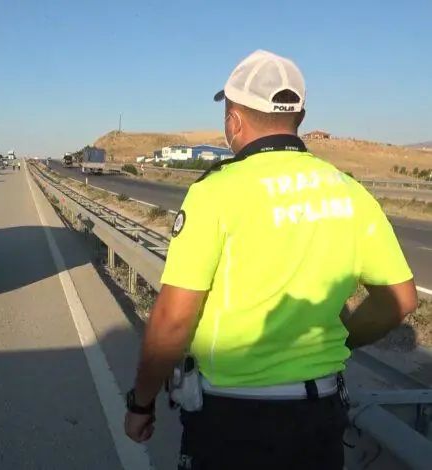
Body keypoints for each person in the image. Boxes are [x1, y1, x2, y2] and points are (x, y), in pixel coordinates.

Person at [123, 49, 418, 470]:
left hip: (232, 418)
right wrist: (342, 340)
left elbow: (173, 319)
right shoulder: (349, 192)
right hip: (320, 415)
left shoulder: (215, 192)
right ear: (300, 116)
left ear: (234, 120)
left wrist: (141, 402)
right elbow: (400, 299)